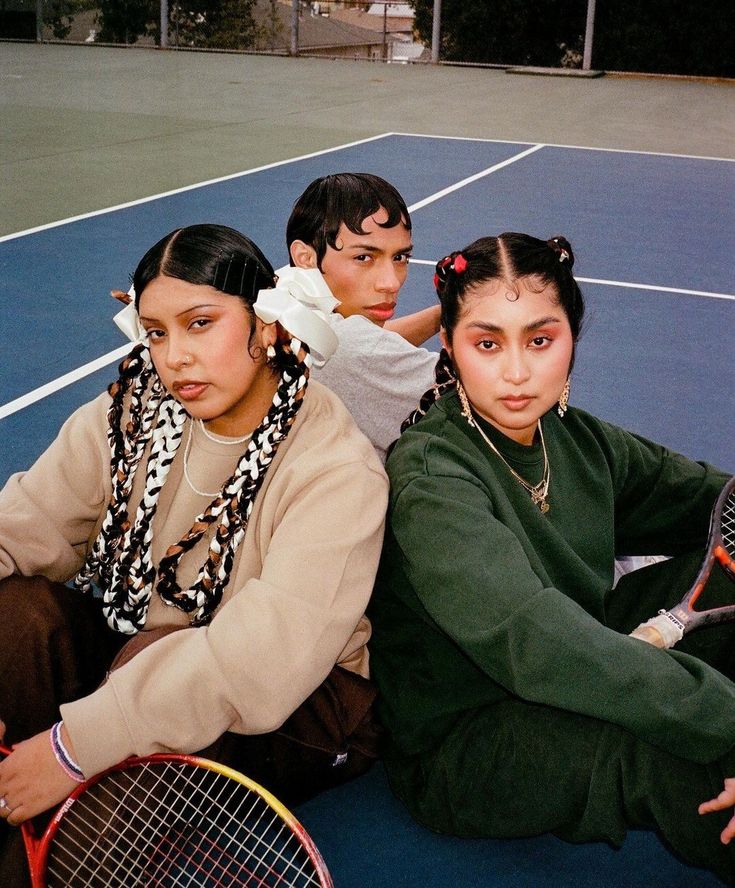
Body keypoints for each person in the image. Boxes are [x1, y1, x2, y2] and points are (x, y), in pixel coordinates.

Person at [0, 224, 388, 885]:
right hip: (145, 660)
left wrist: (74, 748)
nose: (174, 356)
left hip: (304, 708)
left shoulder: (335, 466)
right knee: (19, 615)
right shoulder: (127, 416)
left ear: (265, 327)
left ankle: (61, 836)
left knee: (149, 661)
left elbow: (258, 662)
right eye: (156, 331)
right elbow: (24, 522)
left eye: (200, 323)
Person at [366, 232, 735, 884]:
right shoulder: (431, 476)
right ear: (447, 345)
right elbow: (535, 642)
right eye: (487, 343)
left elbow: (711, 502)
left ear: (571, 339)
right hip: (469, 738)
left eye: (539, 341)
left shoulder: (573, 437)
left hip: (584, 646)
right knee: (656, 749)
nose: (515, 372)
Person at [286, 172, 440, 462]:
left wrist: (441, 316)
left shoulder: (286, 300)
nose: (391, 283)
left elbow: (366, 342)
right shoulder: (357, 351)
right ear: (305, 257)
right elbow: (495, 392)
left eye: (400, 258)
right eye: (364, 258)